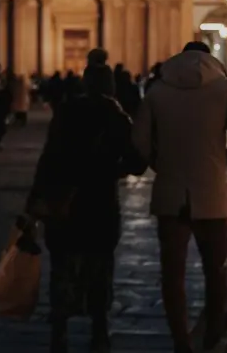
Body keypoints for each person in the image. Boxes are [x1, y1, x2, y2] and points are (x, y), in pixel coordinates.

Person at [132, 41, 227, 353]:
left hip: (171, 191)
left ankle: (180, 338)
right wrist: (225, 165)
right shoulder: (223, 88)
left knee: (173, 272)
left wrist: (160, 164)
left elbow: (140, 142)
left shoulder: (158, 90)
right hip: (211, 190)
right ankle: (213, 328)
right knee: (216, 268)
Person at [27, 64, 147, 353]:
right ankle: (99, 331)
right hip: (100, 207)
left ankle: (59, 332)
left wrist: (35, 201)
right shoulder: (116, 116)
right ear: (110, 86)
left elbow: (48, 159)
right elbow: (138, 162)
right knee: (100, 269)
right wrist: (112, 169)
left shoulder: (66, 112)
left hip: (65, 205)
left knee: (62, 271)